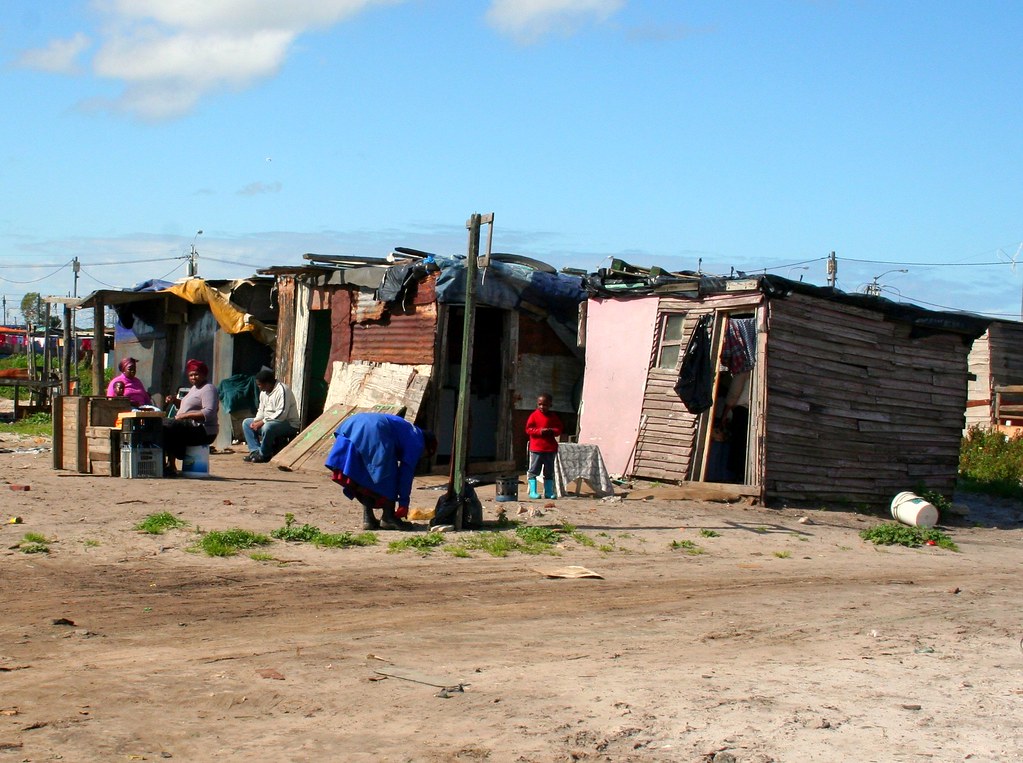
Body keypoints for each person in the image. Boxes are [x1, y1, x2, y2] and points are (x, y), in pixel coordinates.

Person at [324, 412, 436, 531]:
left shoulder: (408, 428)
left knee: (364, 475)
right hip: (374, 429)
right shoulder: (417, 441)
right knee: (389, 474)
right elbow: (405, 474)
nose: (420, 457)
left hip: (352, 424)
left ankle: (368, 518)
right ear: (427, 447)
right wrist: (404, 503)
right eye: (424, 455)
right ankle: (389, 517)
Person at [162, 359, 219, 477]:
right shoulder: (194, 389)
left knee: (169, 425)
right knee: (162, 425)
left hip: (203, 430)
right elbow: (186, 406)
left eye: (196, 374)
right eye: (191, 375)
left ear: (204, 374)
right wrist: (175, 401)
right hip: (189, 427)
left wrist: (183, 416)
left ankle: (171, 465)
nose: (193, 377)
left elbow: (209, 412)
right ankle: (168, 464)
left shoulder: (208, 389)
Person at [242, 369, 300, 463]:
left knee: (267, 427)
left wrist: (262, 422)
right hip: (268, 421)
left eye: (260, 385)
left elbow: (282, 414)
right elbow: (261, 410)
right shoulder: (263, 393)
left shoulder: (282, 390)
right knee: (246, 423)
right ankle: (255, 452)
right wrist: (256, 421)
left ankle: (264, 454)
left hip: (288, 424)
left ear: (268, 383)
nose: (259, 387)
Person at [525, 393, 563, 500]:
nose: (542, 407)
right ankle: (533, 492)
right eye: (540, 404)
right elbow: (528, 429)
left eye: (545, 405)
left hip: (550, 449)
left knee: (549, 471)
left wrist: (551, 431)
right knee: (534, 470)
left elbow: (559, 429)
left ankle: (548, 492)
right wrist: (540, 431)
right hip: (536, 448)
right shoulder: (533, 415)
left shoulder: (553, 416)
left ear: (550, 405)